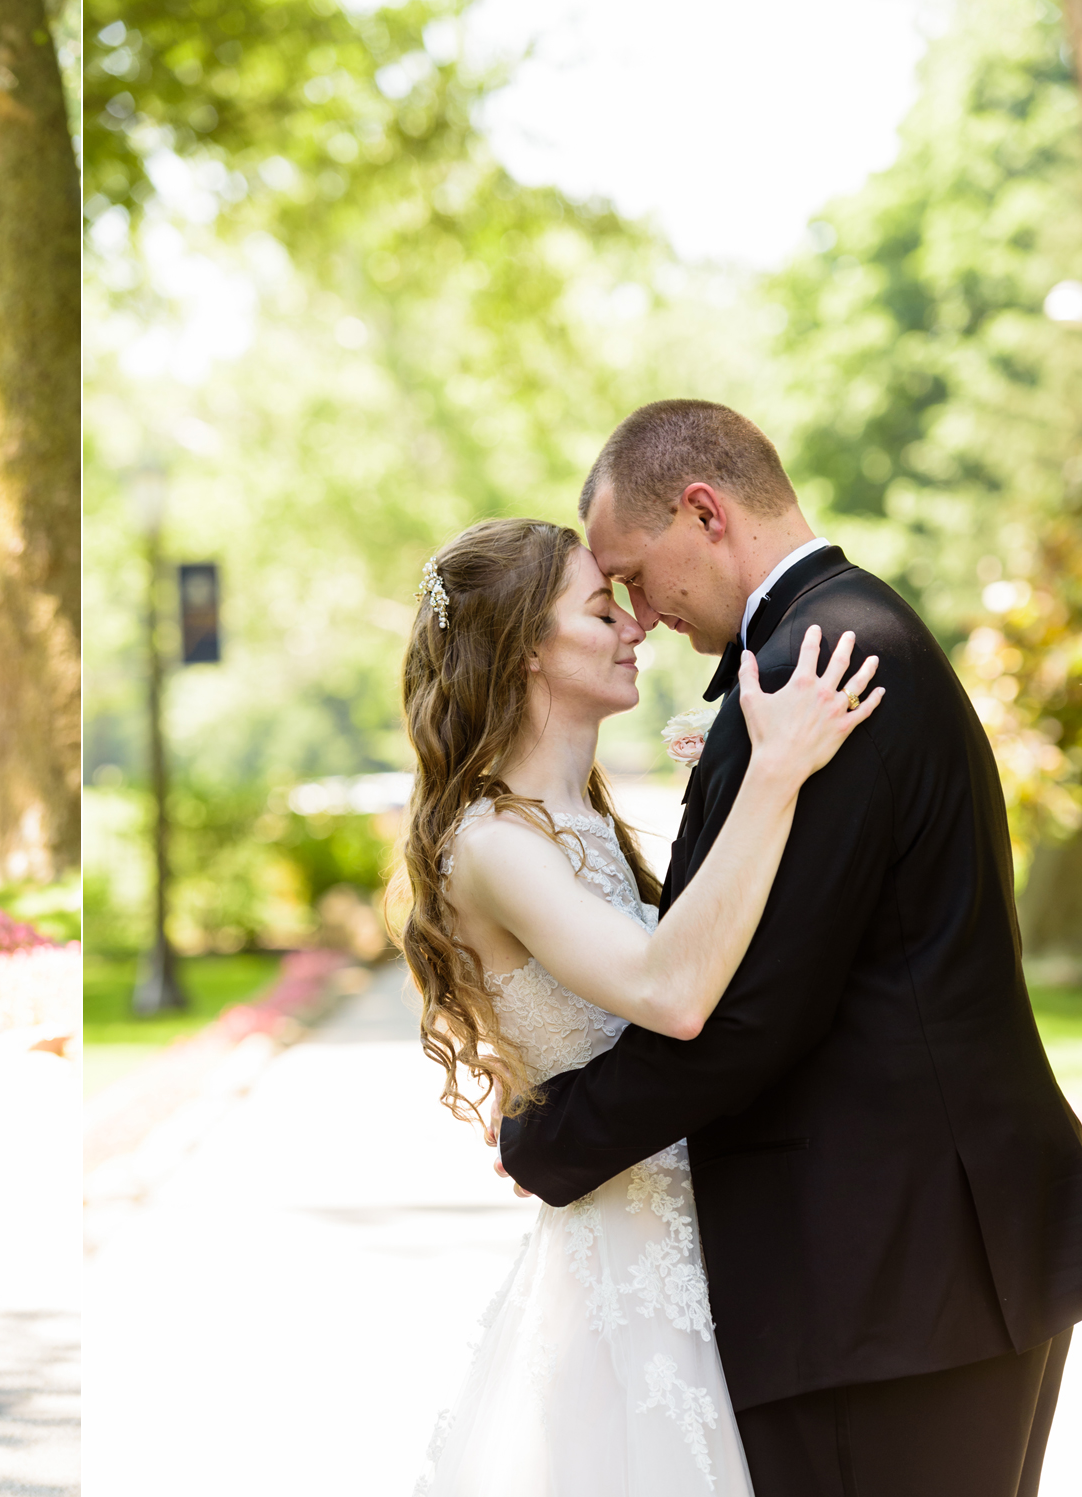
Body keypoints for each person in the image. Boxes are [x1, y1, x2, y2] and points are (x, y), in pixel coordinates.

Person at [498, 399, 1082, 1497]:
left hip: (894, 1275)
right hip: (924, 1266)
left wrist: (552, 1138)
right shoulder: (844, 631)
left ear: (703, 513)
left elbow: (754, 1006)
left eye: (631, 573)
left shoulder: (822, 661)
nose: (636, 612)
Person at [396, 513, 879, 1494]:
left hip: (706, 1237)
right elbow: (670, 993)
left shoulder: (582, 817)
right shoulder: (491, 844)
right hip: (625, 1270)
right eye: (598, 608)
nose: (634, 626)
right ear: (527, 649)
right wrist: (773, 772)